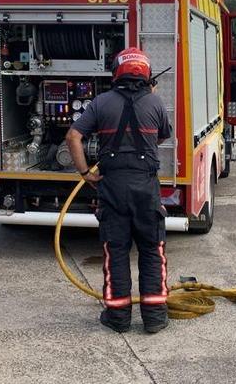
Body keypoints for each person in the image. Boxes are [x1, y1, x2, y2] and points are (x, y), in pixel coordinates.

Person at [65, 47, 172, 334]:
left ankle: (118, 318)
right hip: (146, 187)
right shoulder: (156, 103)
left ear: (117, 71)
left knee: (116, 252)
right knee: (152, 250)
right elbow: (161, 137)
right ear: (146, 73)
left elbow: (73, 136)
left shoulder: (101, 103)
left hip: (112, 188)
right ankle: (155, 318)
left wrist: (85, 172)